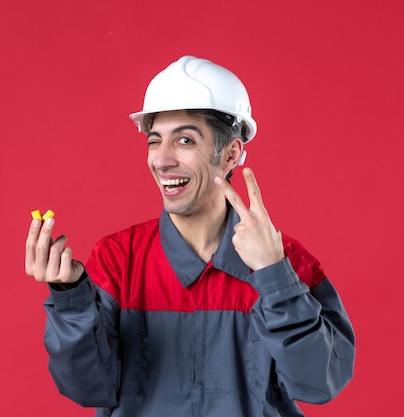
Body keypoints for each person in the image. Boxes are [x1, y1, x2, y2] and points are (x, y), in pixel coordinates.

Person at [24, 56, 355, 417]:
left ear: (231, 154)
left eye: (184, 140)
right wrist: (70, 296)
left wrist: (274, 276)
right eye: (155, 141)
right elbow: (87, 388)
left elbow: (320, 383)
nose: (161, 160)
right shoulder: (118, 259)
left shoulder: (287, 261)